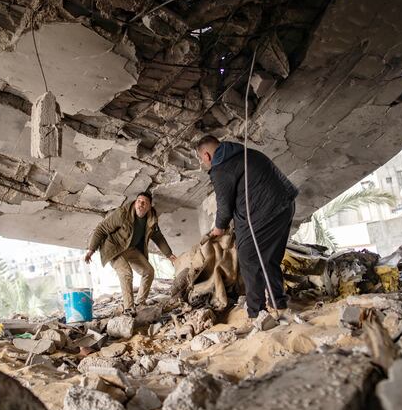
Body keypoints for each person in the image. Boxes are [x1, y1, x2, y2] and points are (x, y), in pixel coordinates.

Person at [195, 135, 299, 319]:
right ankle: (278, 303)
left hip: (265, 212)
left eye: (201, 159)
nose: (203, 163)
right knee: (269, 259)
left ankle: (256, 312)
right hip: (285, 205)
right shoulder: (245, 152)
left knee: (249, 258)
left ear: (206, 155)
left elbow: (224, 207)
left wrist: (218, 229)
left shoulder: (221, 168)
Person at [85, 191, 177, 314]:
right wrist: (91, 250)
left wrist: (169, 254)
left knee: (148, 271)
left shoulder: (151, 218)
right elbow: (101, 229)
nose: (140, 204)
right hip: (114, 248)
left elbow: (158, 237)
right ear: (135, 202)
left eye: (144, 203)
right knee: (126, 273)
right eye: (139, 201)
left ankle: (140, 303)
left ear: (149, 206)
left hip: (130, 248)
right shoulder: (123, 213)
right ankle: (129, 309)